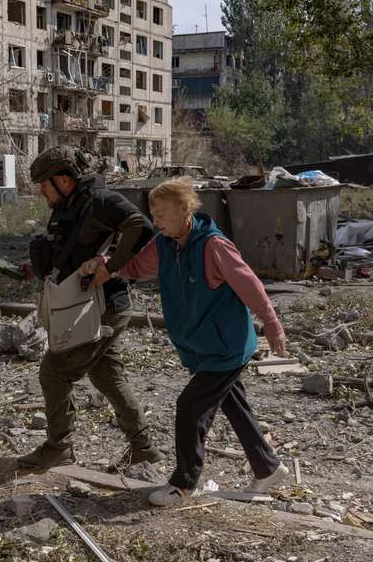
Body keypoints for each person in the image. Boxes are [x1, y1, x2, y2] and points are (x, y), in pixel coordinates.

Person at [80, 176, 289, 506]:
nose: (156, 221)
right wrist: (105, 264)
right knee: (234, 405)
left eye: (161, 213)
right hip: (205, 347)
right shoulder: (165, 244)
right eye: (153, 213)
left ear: (184, 208)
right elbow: (134, 266)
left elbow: (251, 287)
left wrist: (273, 326)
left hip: (227, 347)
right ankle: (268, 468)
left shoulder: (214, 246)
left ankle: (183, 484)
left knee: (190, 408)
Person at [16, 144, 163, 470]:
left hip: (102, 306)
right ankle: (144, 448)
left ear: (64, 179)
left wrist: (109, 268)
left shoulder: (99, 200)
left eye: (44, 184)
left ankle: (59, 448)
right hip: (86, 306)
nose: (42, 192)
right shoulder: (71, 206)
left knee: (54, 372)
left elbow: (140, 225)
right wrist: (34, 268)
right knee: (106, 374)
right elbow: (69, 250)